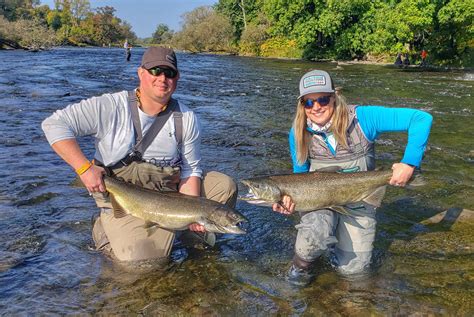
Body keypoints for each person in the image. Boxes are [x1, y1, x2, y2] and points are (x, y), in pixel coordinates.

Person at [42, 47, 237, 263]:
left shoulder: (187, 118)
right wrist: (84, 168)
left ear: (177, 78)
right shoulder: (111, 106)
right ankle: (106, 231)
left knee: (224, 187)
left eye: (169, 73)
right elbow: (54, 124)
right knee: (146, 261)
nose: (162, 78)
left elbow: (190, 169)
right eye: (156, 71)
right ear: (141, 73)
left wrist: (192, 212)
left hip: (166, 193)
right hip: (121, 197)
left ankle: (188, 238)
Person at [273, 70, 432, 286]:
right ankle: (300, 266)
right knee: (313, 235)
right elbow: (300, 178)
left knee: (353, 273)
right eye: (308, 103)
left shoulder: (363, 118)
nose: (316, 107)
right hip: (320, 203)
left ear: (334, 97)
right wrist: (290, 203)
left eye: (322, 99)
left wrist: (409, 163)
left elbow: (421, 119)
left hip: (360, 201)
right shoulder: (298, 132)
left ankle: (336, 248)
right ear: (302, 106)